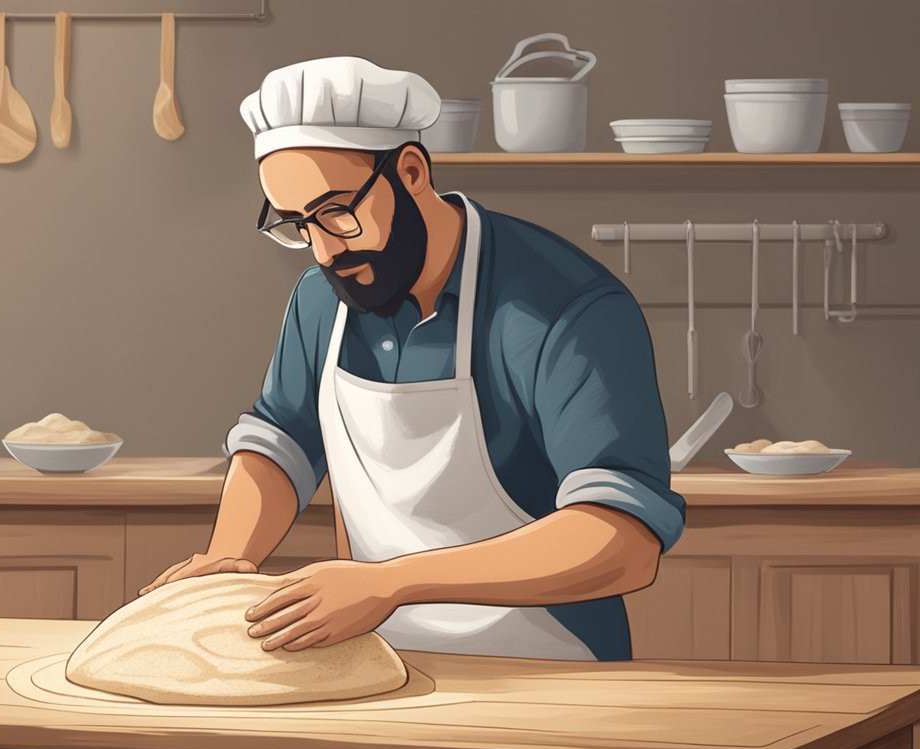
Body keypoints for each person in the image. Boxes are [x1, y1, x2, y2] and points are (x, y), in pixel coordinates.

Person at [141, 57, 686, 661]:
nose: (322, 250)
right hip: (374, 660)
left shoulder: (563, 306)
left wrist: (392, 582)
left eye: (336, 212)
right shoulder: (324, 297)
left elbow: (623, 538)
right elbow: (281, 440)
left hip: (554, 664)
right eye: (296, 225)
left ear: (410, 170)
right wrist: (229, 554)